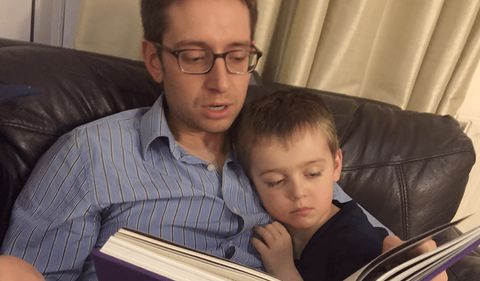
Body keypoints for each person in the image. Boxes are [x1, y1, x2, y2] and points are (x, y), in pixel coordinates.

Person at [0, 0, 396, 280]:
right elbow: (30, 274)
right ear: (155, 60)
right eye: (194, 56)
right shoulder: (88, 155)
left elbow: (377, 246)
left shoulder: (284, 150)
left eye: (237, 57)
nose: (221, 84)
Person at [233, 90, 447, 281]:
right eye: (276, 181)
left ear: (336, 166)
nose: (298, 193)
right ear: (251, 182)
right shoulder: (272, 222)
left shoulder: (357, 244)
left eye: (313, 173)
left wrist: (283, 270)